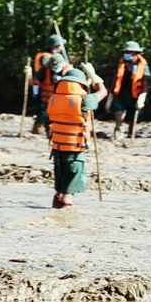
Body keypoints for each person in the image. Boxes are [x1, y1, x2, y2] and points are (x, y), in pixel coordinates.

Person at [42, 64, 102, 207]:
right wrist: (93, 75)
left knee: (61, 184)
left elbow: (48, 122)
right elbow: (103, 92)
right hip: (75, 151)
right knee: (71, 186)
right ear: (80, 85)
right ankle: (67, 211)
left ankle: (57, 207)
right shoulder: (84, 101)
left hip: (57, 149)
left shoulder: (53, 99)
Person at [108, 42, 150, 139]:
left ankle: (131, 135)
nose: (127, 54)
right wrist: (110, 97)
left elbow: (145, 84)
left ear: (135, 53)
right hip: (121, 93)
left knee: (132, 118)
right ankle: (118, 132)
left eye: (129, 52)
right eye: (125, 52)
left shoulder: (143, 66)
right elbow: (115, 79)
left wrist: (142, 97)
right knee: (119, 115)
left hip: (135, 95)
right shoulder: (122, 64)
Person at [28, 36, 66, 133]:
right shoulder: (46, 58)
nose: (61, 48)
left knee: (52, 112)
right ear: (54, 47)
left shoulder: (59, 61)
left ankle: (49, 129)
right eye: (59, 46)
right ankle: (38, 128)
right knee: (43, 111)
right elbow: (40, 76)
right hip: (43, 88)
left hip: (54, 93)